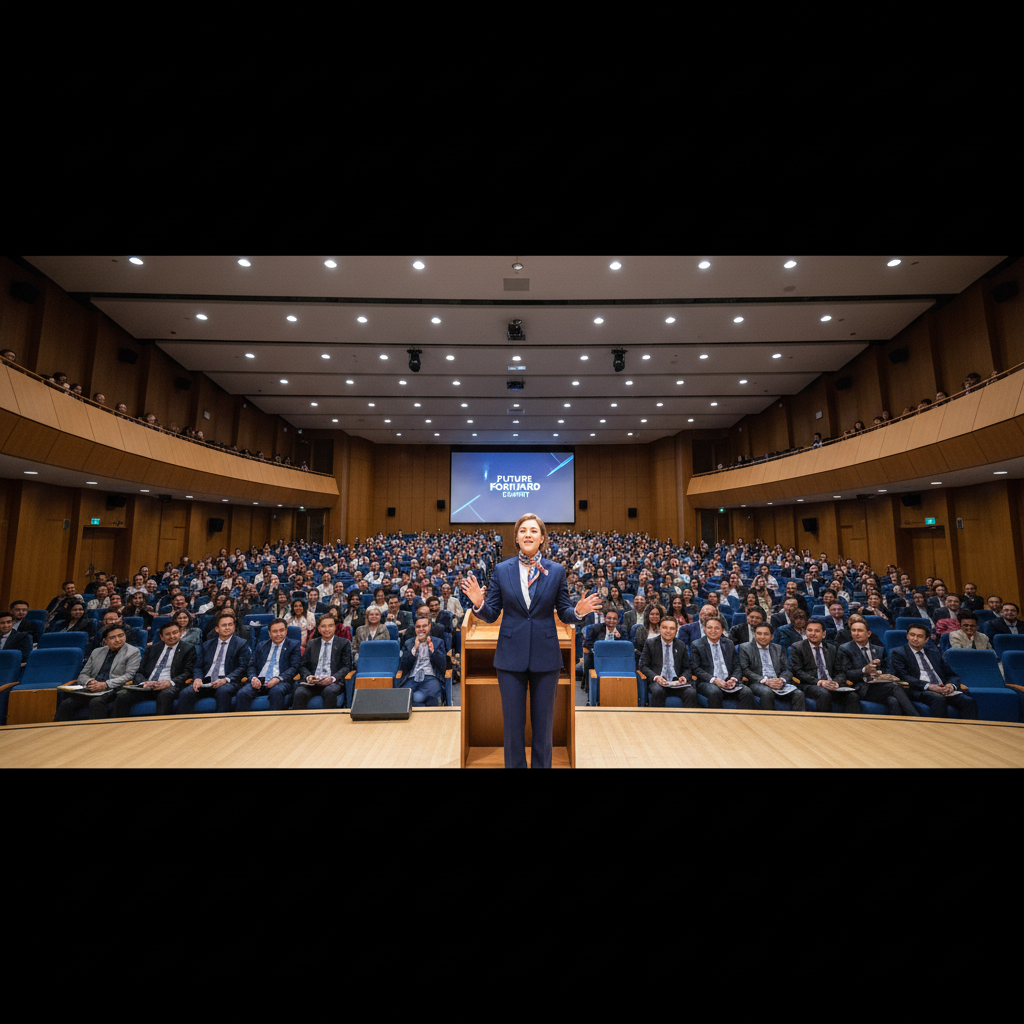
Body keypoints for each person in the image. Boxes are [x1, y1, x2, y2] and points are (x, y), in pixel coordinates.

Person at [460, 512, 602, 769]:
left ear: (542, 538)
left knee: (543, 728)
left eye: (534, 531)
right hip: (510, 657)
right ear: (516, 538)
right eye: (523, 530)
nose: (528, 534)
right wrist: (479, 604)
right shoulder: (502, 570)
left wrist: (579, 611)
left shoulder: (556, 571)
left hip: (546, 657)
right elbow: (491, 614)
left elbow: (564, 611)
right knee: (513, 727)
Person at [53, 623, 141, 721]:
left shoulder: (133, 652)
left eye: (121, 635)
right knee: (67, 703)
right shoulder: (97, 652)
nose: (118, 640)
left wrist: (105, 684)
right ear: (105, 641)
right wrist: (89, 682)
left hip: (113, 688)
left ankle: (97, 733)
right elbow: (83, 674)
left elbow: (129, 675)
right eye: (112, 637)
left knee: (96, 702)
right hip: (92, 688)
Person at [890, 623, 977, 719]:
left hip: (943, 689)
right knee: (938, 699)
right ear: (907, 636)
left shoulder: (934, 653)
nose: (915, 638)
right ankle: (938, 732)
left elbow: (952, 675)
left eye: (920, 636)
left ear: (926, 639)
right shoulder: (898, 653)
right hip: (920, 690)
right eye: (912, 635)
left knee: (969, 701)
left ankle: (967, 732)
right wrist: (929, 686)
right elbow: (904, 676)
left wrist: (950, 685)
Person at [111, 620, 196, 717]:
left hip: (169, 686)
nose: (172, 636)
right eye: (167, 634)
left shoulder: (188, 649)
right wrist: (145, 682)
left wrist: (169, 682)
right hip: (148, 686)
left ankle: (160, 728)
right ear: (161, 637)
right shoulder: (152, 649)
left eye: (175, 632)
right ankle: (119, 729)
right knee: (122, 695)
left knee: (165, 694)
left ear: (180, 633)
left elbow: (188, 673)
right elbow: (140, 671)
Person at [838, 619, 920, 716]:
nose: (856, 633)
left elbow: (889, 668)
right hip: (860, 687)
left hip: (879, 686)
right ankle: (916, 718)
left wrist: (880, 674)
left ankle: (895, 728)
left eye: (860, 630)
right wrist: (864, 670)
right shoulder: (845, 649)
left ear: (868, 633)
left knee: (893, 700)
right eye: (853, 630)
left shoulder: (878, 649)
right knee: (894, 688)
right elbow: (847, 672)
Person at [177, 611, 251, 714]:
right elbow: (198, 666)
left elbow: (242, 667)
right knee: (186, 692)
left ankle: (221, 725)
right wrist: (198, 678)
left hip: (228, 682)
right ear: (217, 629)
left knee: (223, 691)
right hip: (206, 682)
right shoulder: (206, 645)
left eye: (230, 624)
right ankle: (183, 725)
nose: (227, 627)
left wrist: (225, 680)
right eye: (224, 625)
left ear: (234, 627)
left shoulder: (241, 644)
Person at [788, 619, 859, 714]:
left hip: (830, 683)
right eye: (809, 630)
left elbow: (840, 671)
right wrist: (819, 682)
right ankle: (824, 725)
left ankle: (850, 726)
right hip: (810, 685)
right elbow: (798, 672)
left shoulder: (832, 648)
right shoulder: (797, 647)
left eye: (817, 631)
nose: (812, 633)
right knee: (823, 693)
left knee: (853, 696)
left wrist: (836, 682)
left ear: (824, 634)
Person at [236, 618, 301, 712]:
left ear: (286, 631)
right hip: (260, 680)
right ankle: (244, 724)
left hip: (281, 681)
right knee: (242, 693)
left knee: (276, 691)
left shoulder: (293, 645)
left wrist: (278, 678)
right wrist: (253, 678)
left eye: (281, 630)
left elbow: (294, 667)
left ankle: (275, 723)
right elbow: (251, 665)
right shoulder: (261, 645)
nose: (278, 634)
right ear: (269, 633)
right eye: (275, 631)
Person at [691, 615, 756, 709]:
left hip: (728, 680)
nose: (713, 630)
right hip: (708, 682)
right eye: (709, 627)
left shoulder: (729, 643)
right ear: (704, 629)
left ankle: (742, 721)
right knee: (715, 692)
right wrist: (714, 680)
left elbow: (737, 665)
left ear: (722, 630)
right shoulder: (697, 644)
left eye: (717, 628)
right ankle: (717, 722)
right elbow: (696, 668)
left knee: (747, 692)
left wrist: (734, 679)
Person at [738, 622, 806, 711]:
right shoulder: (745, 648)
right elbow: (745, 670)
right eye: (759, 633)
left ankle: (797, 723)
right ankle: (768, 723)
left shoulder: (778, 648)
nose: (762, 637)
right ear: (754, 634)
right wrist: (766, 681)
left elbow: (787, 669)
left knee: (799, 694)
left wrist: (781, 680)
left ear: (772, 636)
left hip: (778, 682)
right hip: (758, 682)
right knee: (767, 692)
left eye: (766, 634)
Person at [294, 613, 353, 710]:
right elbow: (303, 666)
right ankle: (298, 723)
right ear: (319, 628)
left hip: (333, 682)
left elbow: (347, 667)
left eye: (330, 626)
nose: (327, 629)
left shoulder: (344, 643)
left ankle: (328, 723)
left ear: (335, 627)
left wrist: (333, 678)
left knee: (329, 692)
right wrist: (308, 676)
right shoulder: (312, 644)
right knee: (300, 692)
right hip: (313, 682)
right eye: (323, 626)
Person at [639, 615, 698, 708]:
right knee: (658, 691)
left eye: (671, 628)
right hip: (659, 682)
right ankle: (658, 721)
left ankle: (687, 721)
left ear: (676, 631)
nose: (668, 631)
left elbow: (687, 667)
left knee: (691, 692)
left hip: (677, 683)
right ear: (659, 629)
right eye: (664, 627)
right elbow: (643, 666)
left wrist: (684, 677)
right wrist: (656, 677)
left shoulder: (681, 645)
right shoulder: (650, 643)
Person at [398, 615, 447, 707]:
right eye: (418, 626)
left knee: (419, 697)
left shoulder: (438, 642)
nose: (421, 629)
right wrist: (415, 648)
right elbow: (403, 666)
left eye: (424, 626)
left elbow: (443, 666)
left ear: (429, 626)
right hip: (412, 678)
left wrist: (432, 650)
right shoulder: (409, 643)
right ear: (415, 628)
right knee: (405, 697)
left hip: (431, 677)